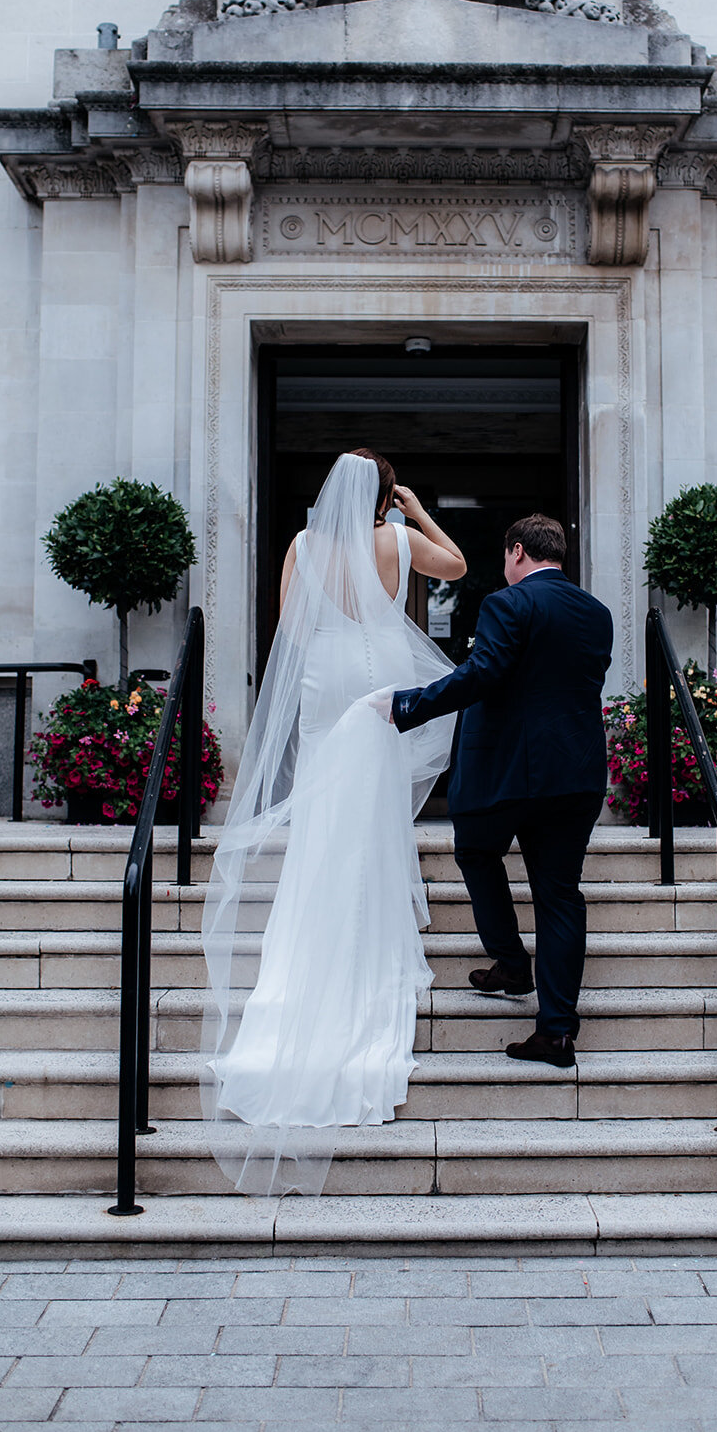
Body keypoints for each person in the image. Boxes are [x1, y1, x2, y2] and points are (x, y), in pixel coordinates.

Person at [201, 450, 466, 1195]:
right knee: (376, 799)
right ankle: (373, 922)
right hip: (377, 665)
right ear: (381, 494)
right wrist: (411, 511)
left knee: (323, 802)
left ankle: (310, 934)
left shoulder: (301, 544)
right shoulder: (396, 540)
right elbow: (456, 567)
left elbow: (290, 622)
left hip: (322, 669)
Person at [389, 514, 613, 1068]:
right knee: (559, 896)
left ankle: (512, 963)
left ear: (516, 552)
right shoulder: (597, 613)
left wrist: (408, 705)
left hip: (506, 772)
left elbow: (482, 673)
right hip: (578, 774)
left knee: (475, 851)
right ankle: (557, 1032)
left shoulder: (506, 603)